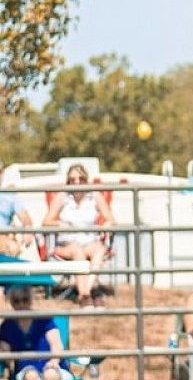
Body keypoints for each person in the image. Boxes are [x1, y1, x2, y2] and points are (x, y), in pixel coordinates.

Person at [40, 164, 115, 306]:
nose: (77, 182)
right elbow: (46, 222)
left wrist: (107, 224)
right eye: (73, 179)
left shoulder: (95, 196)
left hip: (89, 241)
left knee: (100, 249)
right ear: (68, 181)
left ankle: (85, 292)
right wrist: (59, 224)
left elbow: (111, 219)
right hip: (67, 243)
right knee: (77, 251)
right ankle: (86, 295)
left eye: (81, 179)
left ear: (86, 180)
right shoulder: (62, 197)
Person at [0, 286, 64, 380]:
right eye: (17, 301)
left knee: (51, 375)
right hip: (25, 368)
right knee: (31, 376)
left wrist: (54, 361)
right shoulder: (7, 325)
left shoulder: (44, 319)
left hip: (50, 364)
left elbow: (56, 344)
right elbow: (5, 351)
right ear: (12, 303)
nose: (21, 304)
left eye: (25, 300)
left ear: (30, 300)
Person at [0, 160, 35, 258]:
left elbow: (26, 219)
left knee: (12, 247)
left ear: (2, 173)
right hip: (5, 240)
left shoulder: (10, 195)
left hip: (5, 239)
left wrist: (28, 230)